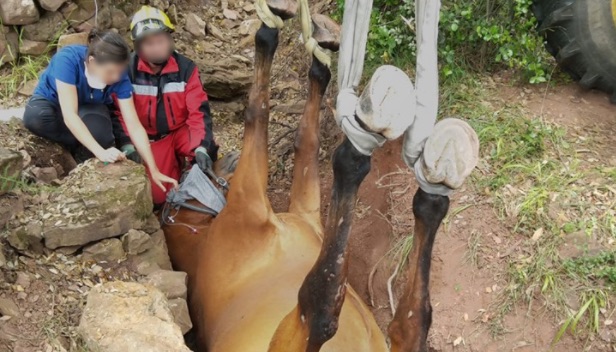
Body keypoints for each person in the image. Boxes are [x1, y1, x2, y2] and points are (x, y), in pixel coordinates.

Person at [23, 29, 177, 194]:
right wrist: (100, 152)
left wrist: (153, 169)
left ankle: (82, 146)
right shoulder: (67, 60)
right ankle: (77, 143)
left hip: (90, 105)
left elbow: (134, 125)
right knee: (36, 119)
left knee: (101, 134)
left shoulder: (120, 76)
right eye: (110, 72)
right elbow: (69, 114)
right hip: (53, 102)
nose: (116, 77)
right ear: (92, 61)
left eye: (120, 72)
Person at [113, 5, 219, 205]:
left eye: (160, 40)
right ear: (137, 46)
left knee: (208, 148)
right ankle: (174, 168)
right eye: (149, 43)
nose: (156, 47)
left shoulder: (186, 69)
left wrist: (201, 148)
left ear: (170, 39)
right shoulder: (128, 72)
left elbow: (199, 112)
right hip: (148, 139)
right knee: (159, 197)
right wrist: (127, 142)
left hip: (179, 132)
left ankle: (191, 172)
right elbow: (119, 114)